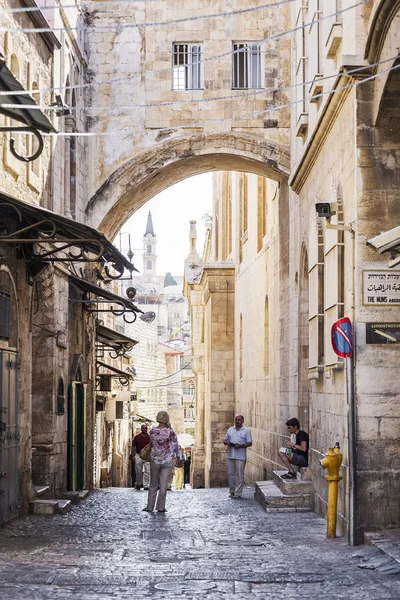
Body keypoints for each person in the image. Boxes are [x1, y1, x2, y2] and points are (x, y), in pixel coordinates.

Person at [143, 411, 183, 513]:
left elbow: (152, 443)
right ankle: (161, 507)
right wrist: (179, 457)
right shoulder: (170, 432)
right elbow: (175, 445)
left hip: (155, 459)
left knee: (153, 484)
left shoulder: (152, 431)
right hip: (167, 460)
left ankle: (150, 507)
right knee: (164, 485)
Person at [223, 415, 252, 499]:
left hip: (240, 456)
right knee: (230, 474)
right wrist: (226, 442)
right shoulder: (230, 430)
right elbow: (225, 440)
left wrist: (240, 446)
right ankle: (232, 491)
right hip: (230, 455)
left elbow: (250, 443)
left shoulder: (246, 431)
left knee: (239, 475)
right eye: (236, 419)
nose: (237, 421)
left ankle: (238, 493)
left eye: (239, 420)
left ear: (242, 421)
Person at [132, 424, 150, 490]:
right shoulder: (137, 437)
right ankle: (138, 484)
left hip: (147, 456)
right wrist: (133, 455)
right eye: (143, 428)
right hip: (138, 454)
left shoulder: (149, 437)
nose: (144, 429)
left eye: (146, 428)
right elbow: (133, 446)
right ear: (141, 429)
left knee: (147, 471)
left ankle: (146, 485)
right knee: (138, 471)